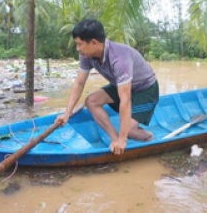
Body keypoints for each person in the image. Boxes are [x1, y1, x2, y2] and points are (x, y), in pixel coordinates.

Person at [55, 19, 159, 155]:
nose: (78, 49)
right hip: (121, 86)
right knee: (91, 101)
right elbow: (79, 83)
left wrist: (123, 139)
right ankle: (114, 139)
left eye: (80, 44)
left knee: (129, 131)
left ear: (93, 43)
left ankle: (147, 137)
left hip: (145, 89)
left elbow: (125, 99)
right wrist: (67, 113)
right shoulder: (87, 55)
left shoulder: (119, 59)